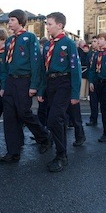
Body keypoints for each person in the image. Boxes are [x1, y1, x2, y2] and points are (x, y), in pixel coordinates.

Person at [0, 9, 51, 163]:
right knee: (9, 117)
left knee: (24, 113)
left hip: (24, 81)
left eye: (12, 20)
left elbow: (36, 63)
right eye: (9, 20)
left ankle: (44, 136)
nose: (9, 23)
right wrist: (3, 85)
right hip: (10, 81)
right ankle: (12, 152)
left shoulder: (29, 38)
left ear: (20, 22)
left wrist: (34, 85)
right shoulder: (9, 41)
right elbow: (5, 65)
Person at [37, 12, 82, 172]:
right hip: (50, 83)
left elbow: (75, 69)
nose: (47, 27)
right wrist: (41, 90)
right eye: (47, 24)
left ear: (60, 25)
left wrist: (75, 93)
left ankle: (61, 155)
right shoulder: (48, 45)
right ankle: (61, 152)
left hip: (64, 82)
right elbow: (44, 70)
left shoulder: (68, 43)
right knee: (59, 119)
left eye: (49, 24)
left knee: (54, 118)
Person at [89, 32, 106, 142]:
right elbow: (92, 69)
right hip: (97, 82)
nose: (99, 41)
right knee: (99, 106)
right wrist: (91, 81)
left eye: (101, 39)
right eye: (98, 39)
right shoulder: (96, 54)